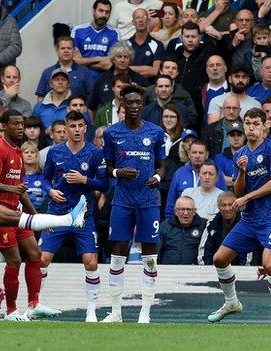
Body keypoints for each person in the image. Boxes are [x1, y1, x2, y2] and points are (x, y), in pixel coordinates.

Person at [0, 110, 84, 321]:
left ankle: (33, 304)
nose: (20, 127)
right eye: (16, 124)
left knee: (35, 254)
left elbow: (22, 192)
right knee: (14, 260)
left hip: (17, 214)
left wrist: (37, 219)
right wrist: (10, 190)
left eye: (22, 124)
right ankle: (10, 311)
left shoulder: (17, 152)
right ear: (5, 126)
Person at [207, 107, 271, 325]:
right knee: (219, 259)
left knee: (270, 264)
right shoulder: (240, 155)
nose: (251, 128)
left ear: (264, 126)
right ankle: (232, 302)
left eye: (256, 124)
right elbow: (239, 191)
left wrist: (246, 199)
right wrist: (242, 172)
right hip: (251, 218)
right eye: (248, 123)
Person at [101, 84, 165, 323]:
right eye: (130, 102)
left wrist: (157, 178)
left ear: (143, 104)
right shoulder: (111, 133)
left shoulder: (156, 132)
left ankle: (145, 312)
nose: (135, 106)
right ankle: (116, 311)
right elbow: (107, 167)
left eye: (138, 102)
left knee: (150, 255)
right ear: (122, 105)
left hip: (148, 201)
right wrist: (118, 172)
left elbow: (162, 166)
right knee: (118, 254)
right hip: (123, 201)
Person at [40, 110, 108, 322]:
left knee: (91, 262)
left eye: (80, 126)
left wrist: (84, 180)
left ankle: (91, 310)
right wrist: (49, 191)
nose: (77, 130)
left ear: (85, 128)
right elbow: (43, 179)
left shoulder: (95, 153)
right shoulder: (55, 152)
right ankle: (35, 303)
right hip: (57, 213)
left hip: (83, 215)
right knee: (42, 260)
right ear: (65, 129)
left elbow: (105, 184)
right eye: (72, 126)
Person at [165, 140, 227, 218]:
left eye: (200, 153)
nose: (197, 156)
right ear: (189, 154)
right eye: (194, 152)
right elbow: (171, 204)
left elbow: (224, 199)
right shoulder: (179, 173)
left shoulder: (215, 172)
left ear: (207, 155)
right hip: (184, 222)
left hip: (209, 220)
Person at [72, 0, 120, 79]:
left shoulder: (114, 33)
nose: (104, 15)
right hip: (80, 78)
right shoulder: (78, 31)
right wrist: (98, 59)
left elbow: (109, 65)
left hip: (104, 80)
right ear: (93, 11)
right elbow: (74, 60)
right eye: (101, 11)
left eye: (107, 12)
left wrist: (82, 61)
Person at [35, 36, 93, 101]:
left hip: (78, 110)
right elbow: (41, 97)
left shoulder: (84, 72)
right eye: (63, 48)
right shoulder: (47, 73)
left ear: (74, 50)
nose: (66, 51)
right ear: (57, 50)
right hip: (53, 110)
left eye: (69, 48)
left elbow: (91, 97)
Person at [199, 191, 247, 265]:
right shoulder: (211, 224)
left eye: (230, 205)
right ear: (218, 207)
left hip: (240, 270)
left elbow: (247, 252)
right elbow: (204, 250)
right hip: (214, 270)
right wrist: (207, 270)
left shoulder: (245, 223)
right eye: (223, 205)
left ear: (237, 205)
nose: (227, 209)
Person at [158, 196, 207, 264]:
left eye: (189, 209)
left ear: (194, 211)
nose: (186, 213)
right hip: (167, 269)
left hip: (194, 270)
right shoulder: (165, 225)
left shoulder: (204, 225)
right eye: (182, 209)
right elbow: (158, 250)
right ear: (176, 211)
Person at [213, 121, 245, 188]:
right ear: (227, 137)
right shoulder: (218, 158)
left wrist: (229, 180)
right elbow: (219, 180)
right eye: (232, 135)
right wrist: (242, 181)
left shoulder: (251, 155)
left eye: (239, 135)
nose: (236, 138)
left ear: (244, 137)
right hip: (225, 195)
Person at [22, 142, 50, 212]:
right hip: (21, 214)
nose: (29, 155)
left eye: (32, 152)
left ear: (37, 155)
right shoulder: (17, 175)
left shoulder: (44, 175)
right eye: (26, 152)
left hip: (42, 213)